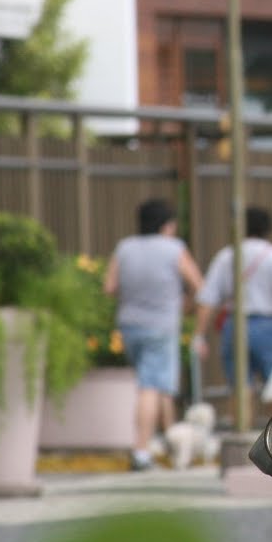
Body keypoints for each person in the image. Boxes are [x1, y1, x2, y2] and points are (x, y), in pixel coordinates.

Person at [104, 197, 205, 471]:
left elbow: (110, 286)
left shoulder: (124, 247)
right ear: (166, 225)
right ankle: (141, 452)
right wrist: (188, 305)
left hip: (129, 325)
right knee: (151, 386)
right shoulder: (174, 248)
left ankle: (168, 441)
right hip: (160, 325)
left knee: (160, 385)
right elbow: (199, 284)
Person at [191, 206, 272, 415]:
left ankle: (242, 434)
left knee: (240, 388)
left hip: (235, 324)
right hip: (270, 325)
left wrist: (199, 335)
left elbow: (208, 299)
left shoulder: (226, 256)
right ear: (268, 228)